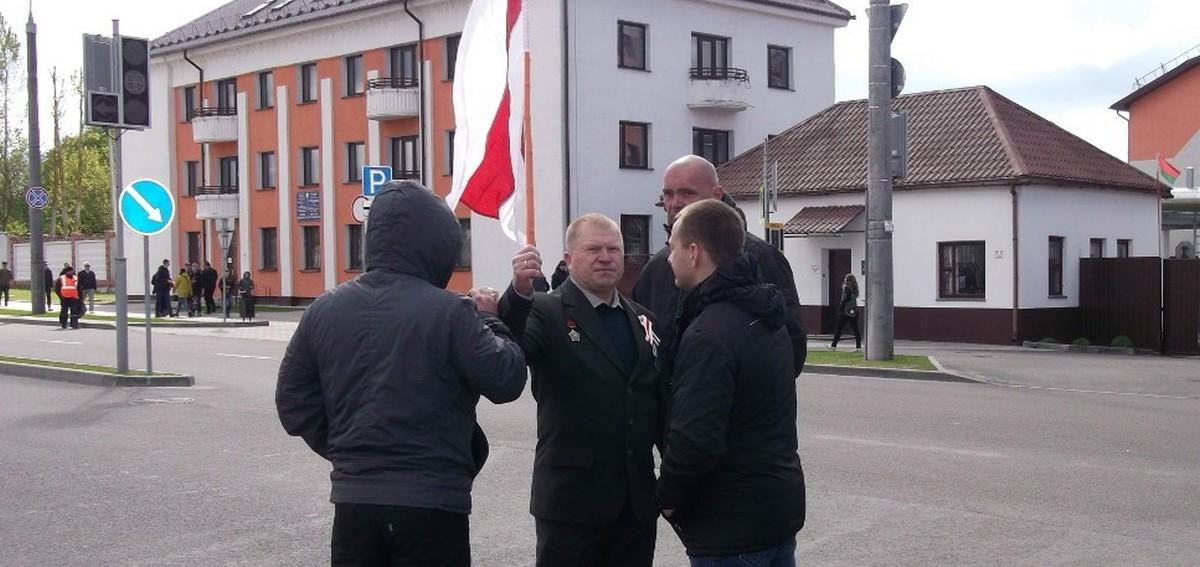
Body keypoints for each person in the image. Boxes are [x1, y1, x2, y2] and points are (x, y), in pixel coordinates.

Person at [276, 180, 527, 567]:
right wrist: (491, 320)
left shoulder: (324, 309)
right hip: (432, 502)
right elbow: (506, 379)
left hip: (355, 501)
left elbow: (294, 402)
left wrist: (348, 449)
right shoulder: (450, 312)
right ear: (439, 244)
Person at [499, 214, 665, 567]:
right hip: (571, 504)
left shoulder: (642, 319)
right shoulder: (545, 310)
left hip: (634, 506)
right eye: (593, 249)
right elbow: (512, 353)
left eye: (614, 249)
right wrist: (517, 295)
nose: (605, 257)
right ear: (569, 259)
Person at [657, 200, 806, 567]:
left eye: (672, 247)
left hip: (730, 527)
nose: (667, 258)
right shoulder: (767, 317)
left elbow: (696, 439)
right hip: (776, 511)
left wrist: (668, 498)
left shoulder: (710, 333)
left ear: (694, 253)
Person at [632, 155, 807, 376]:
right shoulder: (655, 268)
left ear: (716, 195)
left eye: (687, 192)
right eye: (668, 194)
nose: (675, 204)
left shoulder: (760, 257)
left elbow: (791, 350)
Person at [829, 273, 861, 351]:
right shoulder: (855, 289)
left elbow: (844, 299)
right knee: (855, 329)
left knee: (839, 329)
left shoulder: (846, 288)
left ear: (847, 280)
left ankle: (833, 345)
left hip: (845, 311)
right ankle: (858, 346)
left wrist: (840, 308)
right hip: (853, 311)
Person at [53, 265, 83, 330]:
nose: (71, 273)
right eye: (69, 271)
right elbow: (56, 288)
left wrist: (80, 298)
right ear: (66, 272)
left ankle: (74, 324)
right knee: (64, 311)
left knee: (74, 312)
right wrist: (61, 296)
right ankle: (63, 324)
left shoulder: (76, 278)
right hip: (64, 298)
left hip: (74, 298)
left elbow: (79, 289)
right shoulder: (61, 278)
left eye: (72, 271)